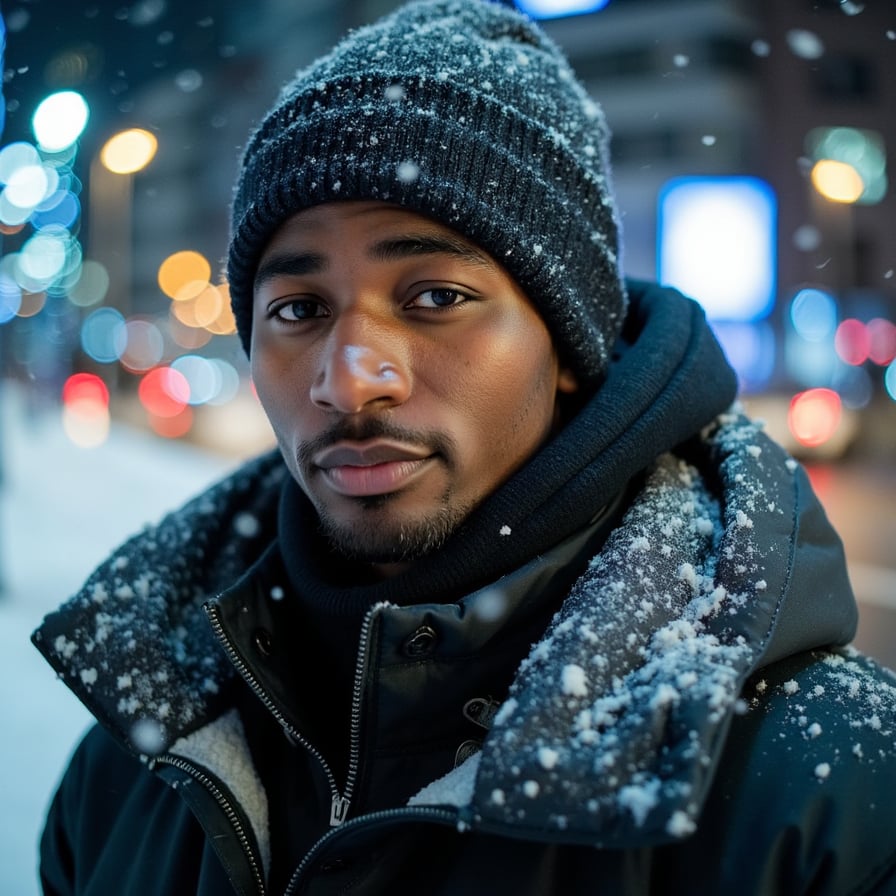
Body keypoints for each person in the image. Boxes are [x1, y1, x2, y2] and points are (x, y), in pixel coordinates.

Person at [32, 0, 896, 893]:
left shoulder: (825, 788)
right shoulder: (139, 755)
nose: (351, 379)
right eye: (298, 310)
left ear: (568, 345)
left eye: (434, 297)